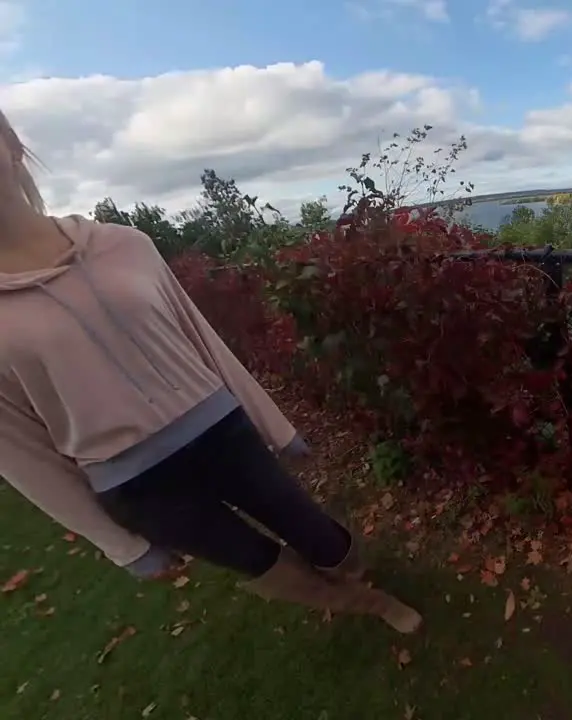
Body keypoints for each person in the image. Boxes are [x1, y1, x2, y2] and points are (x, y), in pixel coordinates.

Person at [0, 111, 422, 634]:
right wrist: (119, 545)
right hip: (135, 485)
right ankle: (370, 607)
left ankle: (359, 574)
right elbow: (19, 453)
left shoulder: (123, 245)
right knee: (257, 561)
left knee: (314, 530)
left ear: (13, 145)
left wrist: (275, 424)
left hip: (219, 432)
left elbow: (203, 340)